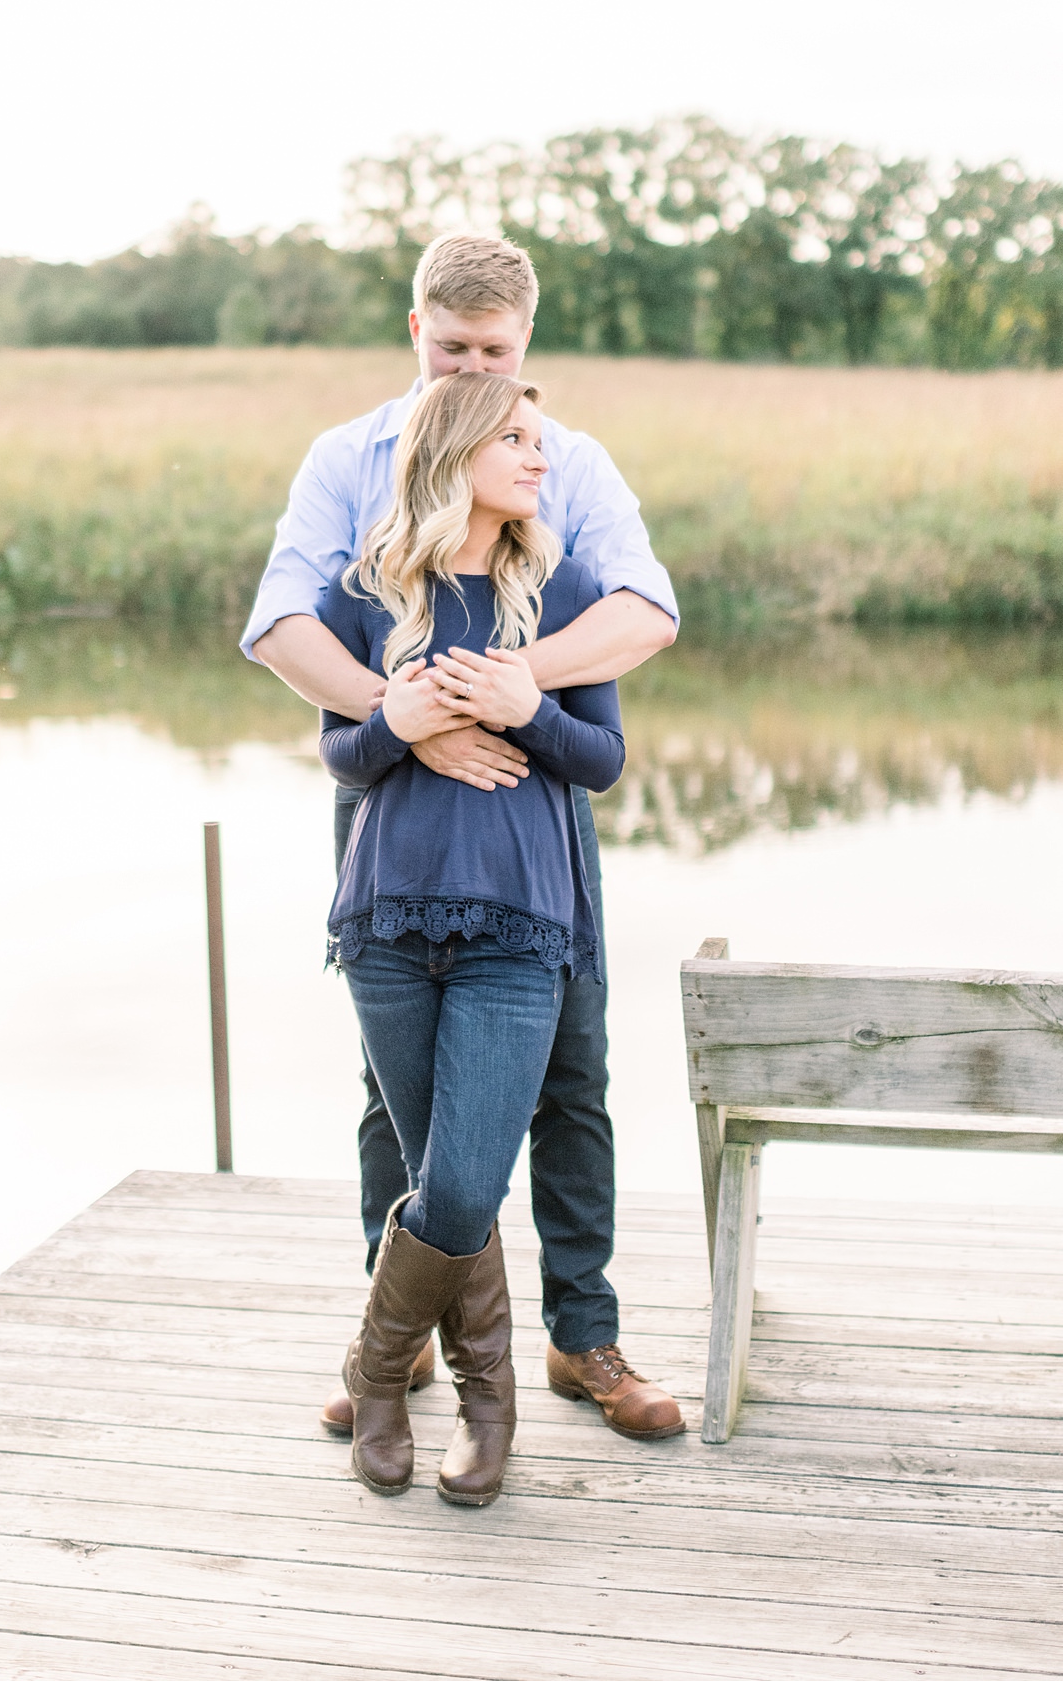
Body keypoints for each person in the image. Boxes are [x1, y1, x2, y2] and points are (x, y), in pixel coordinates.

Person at [242, 230, 685, 1442]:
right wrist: (407, 714)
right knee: (402, 1099)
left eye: (495, 352)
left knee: (571, 1076)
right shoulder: (348, 456)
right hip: (389, 789)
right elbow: (283, 625)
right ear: (414, 332)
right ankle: (409, 1342)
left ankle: (580, 1337)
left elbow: (646, 613)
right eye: (451, 350)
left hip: (533, 802)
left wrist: (500, 687)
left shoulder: (563, 458)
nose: (471, 372)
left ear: (526, 342)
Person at [317, 369, 625, 1501]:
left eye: (538, 442)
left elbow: (602, 760)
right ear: (454, 452)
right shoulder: (363, 593)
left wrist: (524, 708)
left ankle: (385, 1370)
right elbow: (342, 757)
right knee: (434, 1170)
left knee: (460, 1183)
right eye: (516, 439)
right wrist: (393, 722)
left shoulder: (567, 590)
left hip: (519, 930)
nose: (540, 460)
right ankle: (474, 1406)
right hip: (390, 922)